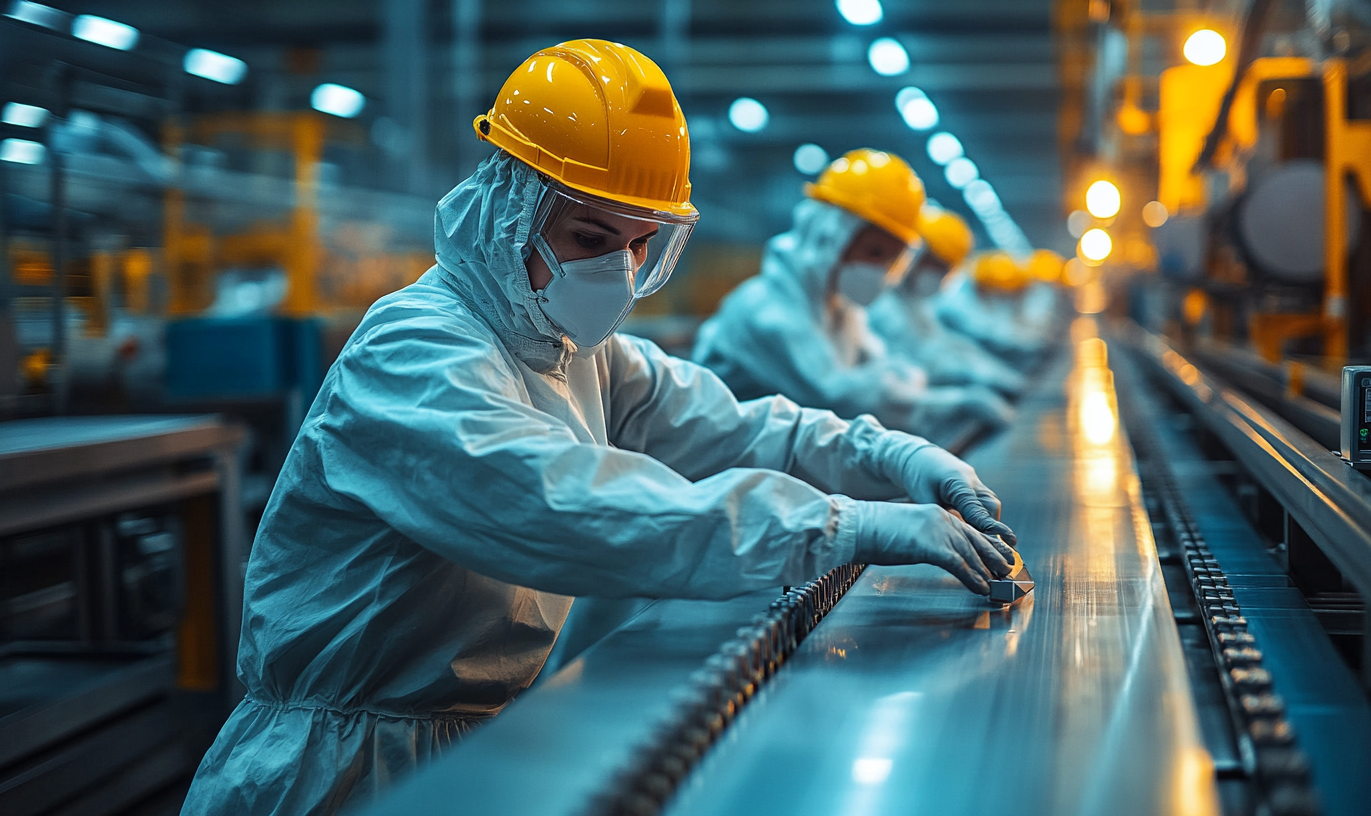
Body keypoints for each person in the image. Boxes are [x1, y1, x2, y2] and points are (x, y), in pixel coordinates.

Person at [179, 40, 1017, 816]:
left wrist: (891, 458)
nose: (611, 273)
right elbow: (566, 506)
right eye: (589, 236)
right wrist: (840, 525)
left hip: (470, 738)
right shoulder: (416, 353)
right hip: (346, 765)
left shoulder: (573, 348)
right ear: (511, 207)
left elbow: (736, 428)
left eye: (638, 245)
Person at [692, 149, 1014, 450]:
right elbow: (842, 399)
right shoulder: (766, 311)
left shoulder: (840, 309)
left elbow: (889, 374)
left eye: (890, 259)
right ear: (828, 236)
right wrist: (955, 401)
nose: (880, 271)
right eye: (873, 252)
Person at [867, 205, 1025, 396]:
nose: (939, 275)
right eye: (936, 265)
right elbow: (923, 359)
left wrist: (988, 369)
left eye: (946, 269)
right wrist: (977, 375)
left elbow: (943, 343)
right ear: (914, 254)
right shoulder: (880, 303)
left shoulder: (916, 302)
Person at [935, 250, 1056, 360]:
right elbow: (986, 332)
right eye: (1000, 293)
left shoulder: (984, 298)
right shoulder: (955, 302)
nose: (1003, 297)